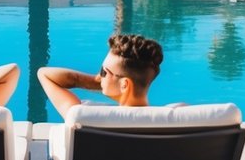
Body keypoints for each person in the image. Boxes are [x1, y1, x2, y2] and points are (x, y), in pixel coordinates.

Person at [38, 32, 168, 119]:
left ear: (124, 84)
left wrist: (93, 81)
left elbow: (44, 74)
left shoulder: (83, 115)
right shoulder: (174, 117)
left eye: (104, 72)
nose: (100, 76)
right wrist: (109, 80)